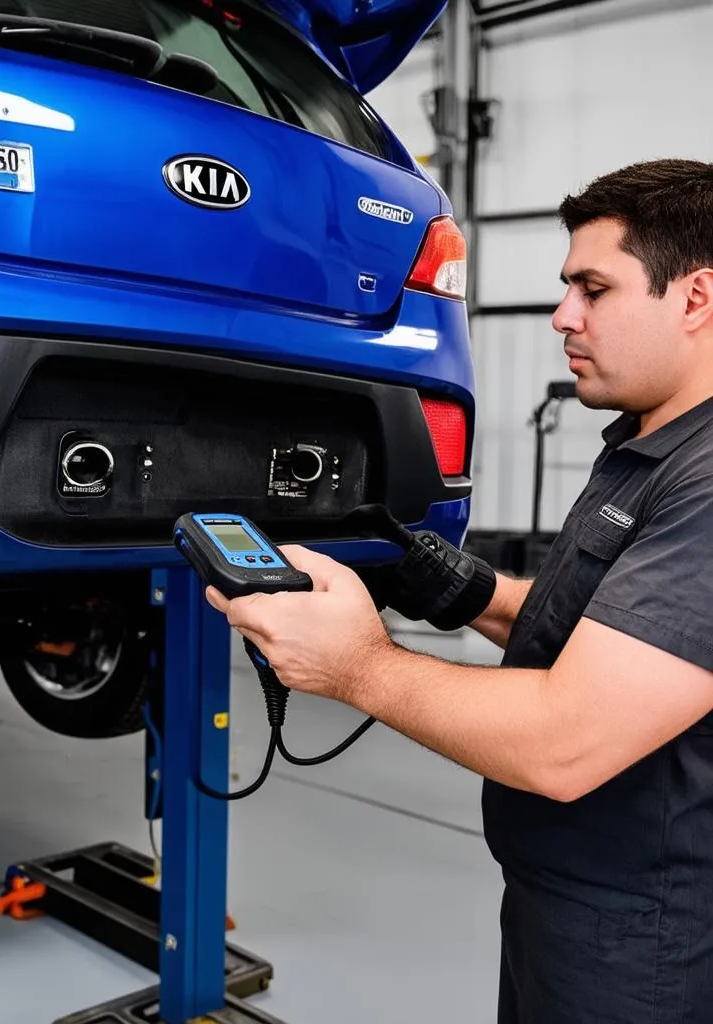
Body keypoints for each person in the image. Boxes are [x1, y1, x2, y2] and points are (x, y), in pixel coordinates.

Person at [207, 159, 713, 1023]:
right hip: (570, 905)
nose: (563, 317)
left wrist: (357, 666)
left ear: (697, 297)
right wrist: (453, 586)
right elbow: (604, 642)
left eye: (594, 289)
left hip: (646, 941)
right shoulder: (644, 445)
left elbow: (566, 742)